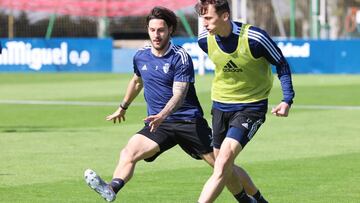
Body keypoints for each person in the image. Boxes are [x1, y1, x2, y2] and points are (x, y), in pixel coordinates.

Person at [84, 6, 262, 203]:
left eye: (161, 30)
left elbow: (179, 95)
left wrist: (162, 115)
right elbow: (136, 81)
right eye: (152, 30)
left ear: (170, 30)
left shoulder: (180, 56)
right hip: (159, 124)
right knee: (128, 152)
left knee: (224, 166)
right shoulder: (141, 55)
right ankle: (112, 188)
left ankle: (251, 199)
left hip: (189, 123)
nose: (156, 35)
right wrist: (123, 107)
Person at [195, 0, 295, 202]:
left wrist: (287, 99)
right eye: (202, 18)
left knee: (222, 162)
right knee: (222, 165)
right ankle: (255, 200)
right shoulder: (204, 40)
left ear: (225, 16)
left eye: (208, 18)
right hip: (220, 105)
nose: (204, 24)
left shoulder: (255, 38)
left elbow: (281, 64)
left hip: (251, 106)